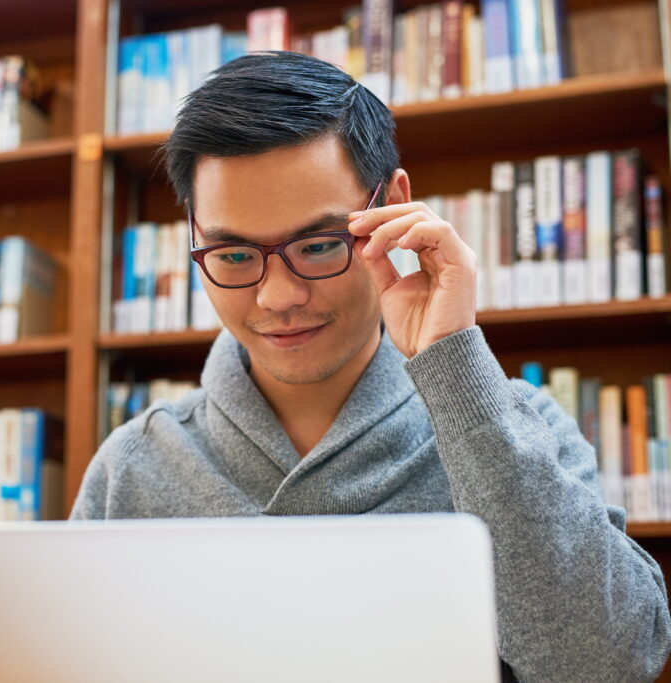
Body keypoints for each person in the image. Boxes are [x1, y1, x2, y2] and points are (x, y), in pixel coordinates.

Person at [70, 51, 671, 681]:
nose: (278, 297)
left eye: (321, 245)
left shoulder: (517, 428)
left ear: (395, 208)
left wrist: (455, 368)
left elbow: (611, 664)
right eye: (234, 254)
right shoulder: (132, 466)